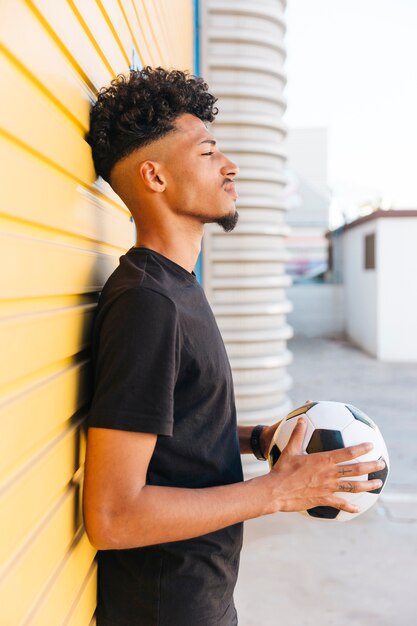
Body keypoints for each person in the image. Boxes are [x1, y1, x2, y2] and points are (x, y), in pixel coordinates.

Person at [83, 67, 384, 626]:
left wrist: (255, 438)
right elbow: (113, 516)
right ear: (154, 176)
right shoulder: (149, 304)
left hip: (200, 599)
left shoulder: (175, 286)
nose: (230, 165)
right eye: (207, 152)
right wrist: (277, 492)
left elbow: (169, 434)